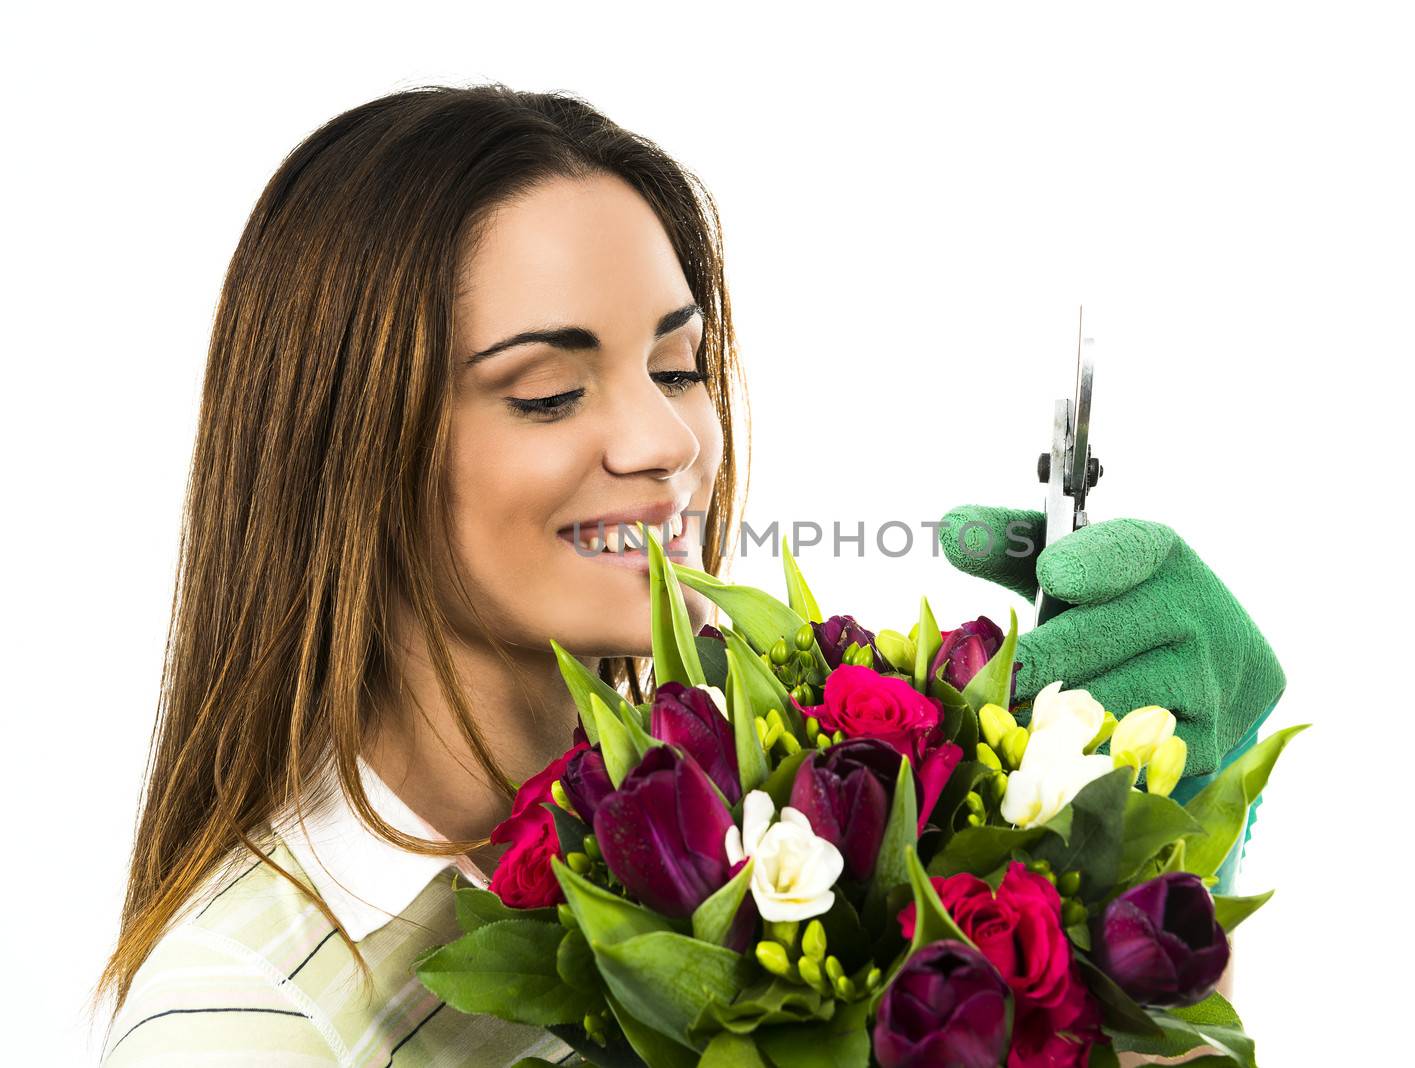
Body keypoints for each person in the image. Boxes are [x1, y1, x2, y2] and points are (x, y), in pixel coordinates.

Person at [94, 83, 1284, 1066]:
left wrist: (1140, 863)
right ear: (343, 448)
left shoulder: (796, 812)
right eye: (549, 393)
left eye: (677, 367)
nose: (667, 445)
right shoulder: (242, 1020)